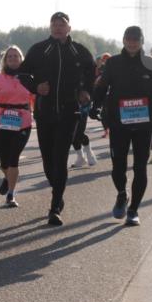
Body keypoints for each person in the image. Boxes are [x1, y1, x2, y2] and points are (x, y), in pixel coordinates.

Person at [18, 12, 96, 226]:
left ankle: (54, 208)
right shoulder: (39, 49)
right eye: (54, 24)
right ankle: (58, 194)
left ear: (69, 27)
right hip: (45, 112)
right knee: (48, 160)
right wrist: (36, 87)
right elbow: (22, 75)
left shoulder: (78, 51)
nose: (58, 28)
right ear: (50, 27)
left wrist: (86, 90)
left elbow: (92, 72)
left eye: (62, 24)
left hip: (70, 112)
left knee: (60, 158)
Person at [91, 26, 152, 226]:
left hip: (144, 123)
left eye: (136, 40)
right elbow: (102, 86)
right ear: (124, 40)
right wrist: (96, 105)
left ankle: (133, 209)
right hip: (119, 122)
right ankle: (121, 194)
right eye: (129, 39)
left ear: (142, 41)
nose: (132, 43)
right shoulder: (114, 63)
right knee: (118, 166)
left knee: (140, 167)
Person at [0, 46, 34, 208]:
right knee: (4, 161)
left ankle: (11, 194)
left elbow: (37, 95)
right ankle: (7, 177)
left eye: (16, 56)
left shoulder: (28, 78)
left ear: (21, 59)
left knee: (14, 159)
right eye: (10, 57)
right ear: (5, 60)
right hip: (2, 121)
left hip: (23, 121)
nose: (13, 59)